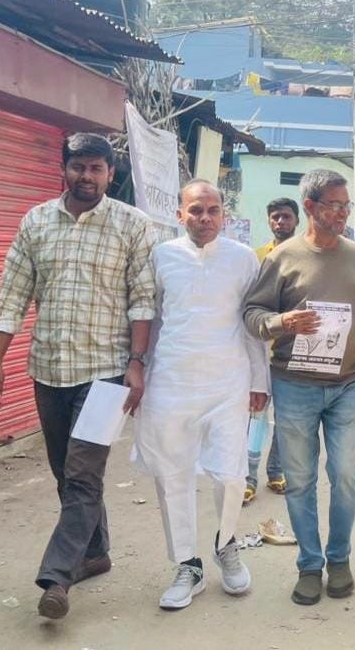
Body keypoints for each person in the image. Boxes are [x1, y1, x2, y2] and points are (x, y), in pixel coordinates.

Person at [0, 133, 156, 620]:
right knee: (66, 472)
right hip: (49, 369)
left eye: (96, 168)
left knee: (82, 474)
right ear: (64, 170)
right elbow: (13, 295)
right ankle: (95, 552)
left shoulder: (133, 225)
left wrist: (137, 363)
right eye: (78, 166)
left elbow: (143, 299)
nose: (87, 176)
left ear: (110, 174)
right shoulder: (36, 221)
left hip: (106, 373)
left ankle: (57, 578)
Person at [243, 170, 355, 606]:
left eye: (346, 206)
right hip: (295, 385)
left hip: (348, 385)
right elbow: (252, 312)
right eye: (334, 206)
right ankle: (308, 564)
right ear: (310, 207)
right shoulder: (281, 258)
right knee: (299, 480)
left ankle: (339, 559)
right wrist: (282, 322)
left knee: (345, 474)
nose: (342, 214)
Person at [132, 180, 270, 610]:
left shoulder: (243, 259)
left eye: (213, 210)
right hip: (170, 381)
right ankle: (186, 565)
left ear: (224, 215)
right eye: (196, 210)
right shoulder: (161, 256)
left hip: (227, 381)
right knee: (171, 474)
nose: (205, 218)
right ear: (180, 215)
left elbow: (252, 323)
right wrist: (139, 371)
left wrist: (260, 380)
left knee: (230, 474)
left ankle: (226, 545)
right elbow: (148, 317)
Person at [246, 196, 300, 503]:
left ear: (297, 220)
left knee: (286, 418)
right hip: (260, 350)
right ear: (269, 221)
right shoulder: (256, 258)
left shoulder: (306, 256)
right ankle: (248, 477)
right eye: (275, 217)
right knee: (256, 416)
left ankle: (276, 471)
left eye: (286, 217)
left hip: (292, 352)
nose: (280, 222)